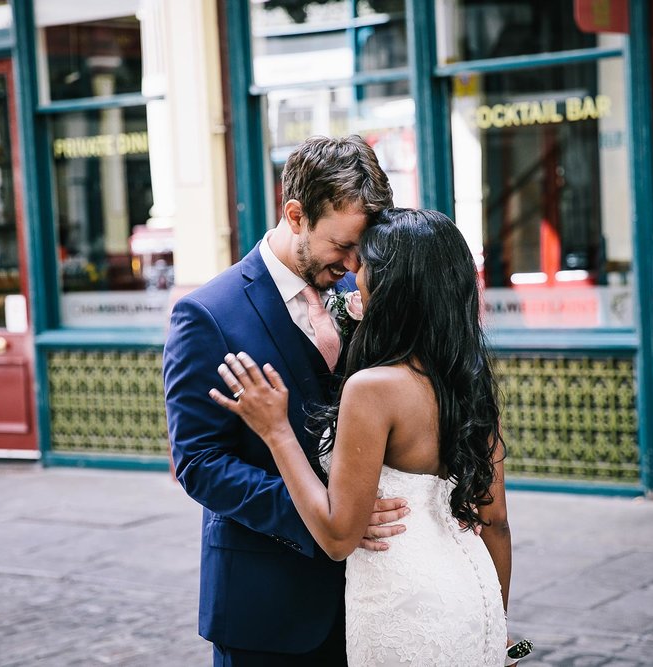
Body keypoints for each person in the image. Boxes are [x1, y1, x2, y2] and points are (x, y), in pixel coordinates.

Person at [211, 208, 515, 666]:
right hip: (474, 600)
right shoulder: (467, 381)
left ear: (394, 287)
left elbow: (337, 535)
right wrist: (498, 629)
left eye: (367, 265)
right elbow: (498, 524)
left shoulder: (373, 388)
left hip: (405, 605)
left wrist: (277, 431)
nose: (355, 275)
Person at [163, 135, 407, 666]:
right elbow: (199, 464)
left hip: (371, 602)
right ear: (294, 214)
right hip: (266, 606)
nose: (351, 264)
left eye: (360, 250)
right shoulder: (207, 315)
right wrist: (331, 516)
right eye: (340, 246)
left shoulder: (362, 291)